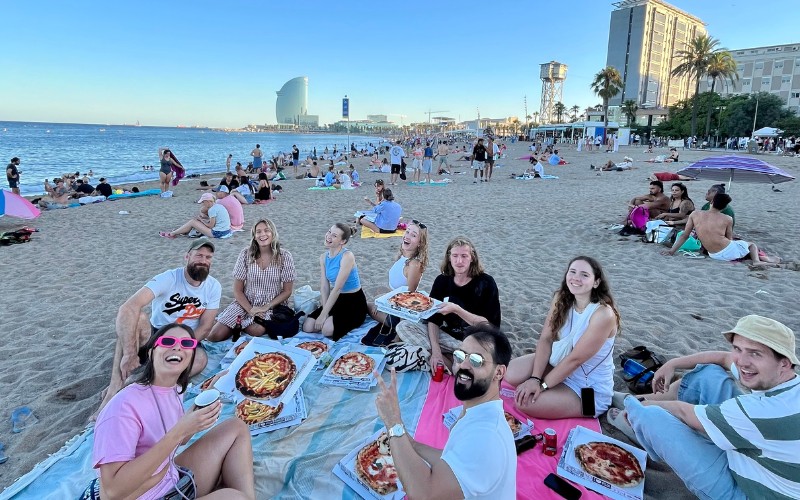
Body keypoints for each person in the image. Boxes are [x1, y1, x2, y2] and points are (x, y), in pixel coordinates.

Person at [610, 315, 799, 500]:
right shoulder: (787, 382)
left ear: (784, 363)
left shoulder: (764, 411)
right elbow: (723, 358)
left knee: (651, 417)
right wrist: (672, 364)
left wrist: (637, 407)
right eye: (738, 349)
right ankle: (636, 403)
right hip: (754, 456)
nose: (742, 361)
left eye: (755, 353)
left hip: (747, 491)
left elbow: (684, 412)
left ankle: (631, 412)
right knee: (709, 375)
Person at [86, 323, 255, 500]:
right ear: (151, 352)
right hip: (143, 495)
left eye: (187, 344)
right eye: (167, 341)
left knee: (236, 427)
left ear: (191, 357)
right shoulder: (123, 406)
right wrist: (178, 432)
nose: (177, 347)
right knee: (235, 497)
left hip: (170, 480)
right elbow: (113, 492)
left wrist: (203, 401)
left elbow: (180, 437)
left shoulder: (172, 390)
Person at [374, 325, 516, 499]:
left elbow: (426, 494)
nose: (463, 365)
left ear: (499, 372)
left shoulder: (486, 437)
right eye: (460, 356)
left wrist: (393, 423)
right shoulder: (479, 413)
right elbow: (451, 460)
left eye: (477, 360)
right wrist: (413, 445)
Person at [93, 239, 221, 418]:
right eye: (199, 255)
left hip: (186, 338)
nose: (204, 260)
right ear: (187, 256)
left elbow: (206, 326)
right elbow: (128, 307)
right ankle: (115, 385)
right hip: (157, 333)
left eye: (208, 257)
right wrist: (130, 353)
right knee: (134, 320)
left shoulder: (213, 286)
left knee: (200, 360)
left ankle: (134, 383)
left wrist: (184, 345)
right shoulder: (169, 278)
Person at [504, 256, 620, 418]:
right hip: (559, 364)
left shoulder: (603, 314)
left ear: (596, 282)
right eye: (572, 272)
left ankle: (562, 394)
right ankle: (551, 386)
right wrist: (535, 378)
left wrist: (542, 385)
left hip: (587, 386)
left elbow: (576, 359)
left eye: (584, 275)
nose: (576, 278)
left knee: (524, 403)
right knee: (511, 374)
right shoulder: (562, 299)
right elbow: (546, 339)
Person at [395, 237, 501, 374]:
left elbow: (490, 327)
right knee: (403, 326)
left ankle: (452, 360)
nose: (459, 261)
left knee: (474, 366)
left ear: (472, 258)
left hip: (475, 340)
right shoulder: (442, 281)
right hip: (446, 337)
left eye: (464, 256)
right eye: (455, 256)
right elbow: (433, 319)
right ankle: (447, 358)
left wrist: (457, 310)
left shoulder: (486, 283)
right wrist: (436, 351)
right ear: (449, 258)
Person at [208, 219, 296, 341]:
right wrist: (250, 310)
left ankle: (237, 324)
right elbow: (238, 290)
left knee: (256, 330)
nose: (262, 234)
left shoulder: (284, 256)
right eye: (258, 232)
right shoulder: (245, 254)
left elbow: (287, 291)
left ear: (273, 233)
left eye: (266, 230)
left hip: (271, 304)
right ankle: (230, 320)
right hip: (246, 301)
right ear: (254, 236)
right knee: (214, 336)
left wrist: (266, 307)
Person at [664, 193, 780, 265]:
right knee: (751, 245)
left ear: (712, 202)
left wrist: (671, 251)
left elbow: (684, 235)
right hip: (728, 251)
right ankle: (757, 261)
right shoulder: (728, 218)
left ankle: (763, 260)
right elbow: (729, 238)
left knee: (740, 247)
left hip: (714, 255)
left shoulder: (695, 214)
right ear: (725, 207)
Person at [302, 223, 368, 340]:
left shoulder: (347, 256)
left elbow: (337, 288)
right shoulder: (323, 257)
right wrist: (324, 309)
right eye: (329, 232)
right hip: (337, 299)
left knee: (326, 330)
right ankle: (329, 316)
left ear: (342, 242)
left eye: (334, 236)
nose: (328, 237)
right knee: (308, 327)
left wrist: (323, 315)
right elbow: (324, 286)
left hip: (354, 301)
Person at [367, 220, 429, 331]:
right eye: (407, 232)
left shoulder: (414, 264)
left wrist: (383, 304)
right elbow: (397, 289)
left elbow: (409, 296)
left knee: (365, 305)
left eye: (413, 235)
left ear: (420, 243)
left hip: (397, 315)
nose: (407, 236)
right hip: (392, 304)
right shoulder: (402, 257)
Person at [160, 193, 232, 239]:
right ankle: (179, 232)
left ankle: (172, 233)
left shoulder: (212, 210)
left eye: (203, 202)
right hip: (226, 231)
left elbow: (210, 226)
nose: (203, 204)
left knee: (192, 222)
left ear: (207, 201)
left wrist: (201, 220)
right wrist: (203, 218)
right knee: (195, 222)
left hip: (218, 233)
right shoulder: (219, 206)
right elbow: (216, 220)